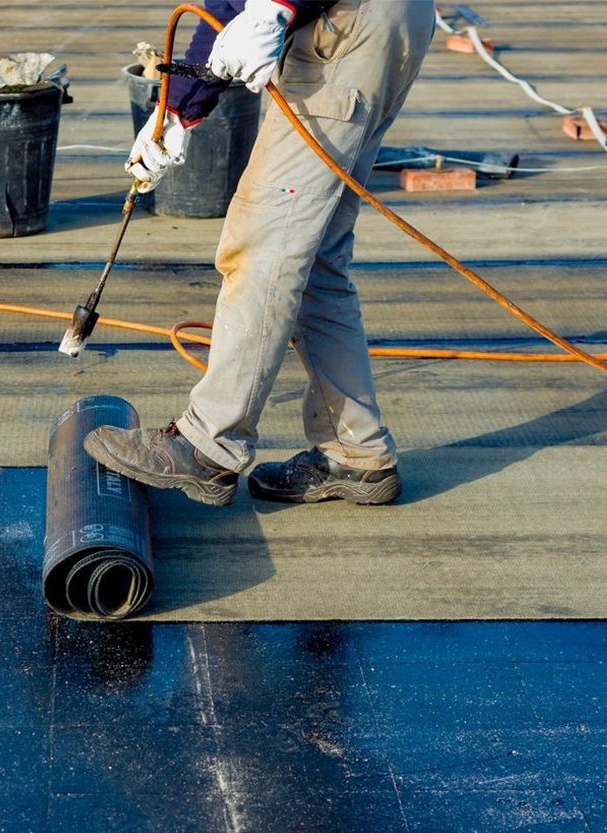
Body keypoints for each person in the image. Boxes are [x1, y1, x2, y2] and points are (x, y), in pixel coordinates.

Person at [85, 0, 435, 507]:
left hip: (349, 23)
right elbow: (226, 7)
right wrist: (180, 109)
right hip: (387, 19)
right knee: (313, 256)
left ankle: (209, 444)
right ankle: (356, 451)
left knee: (263, 242)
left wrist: (278, 5)